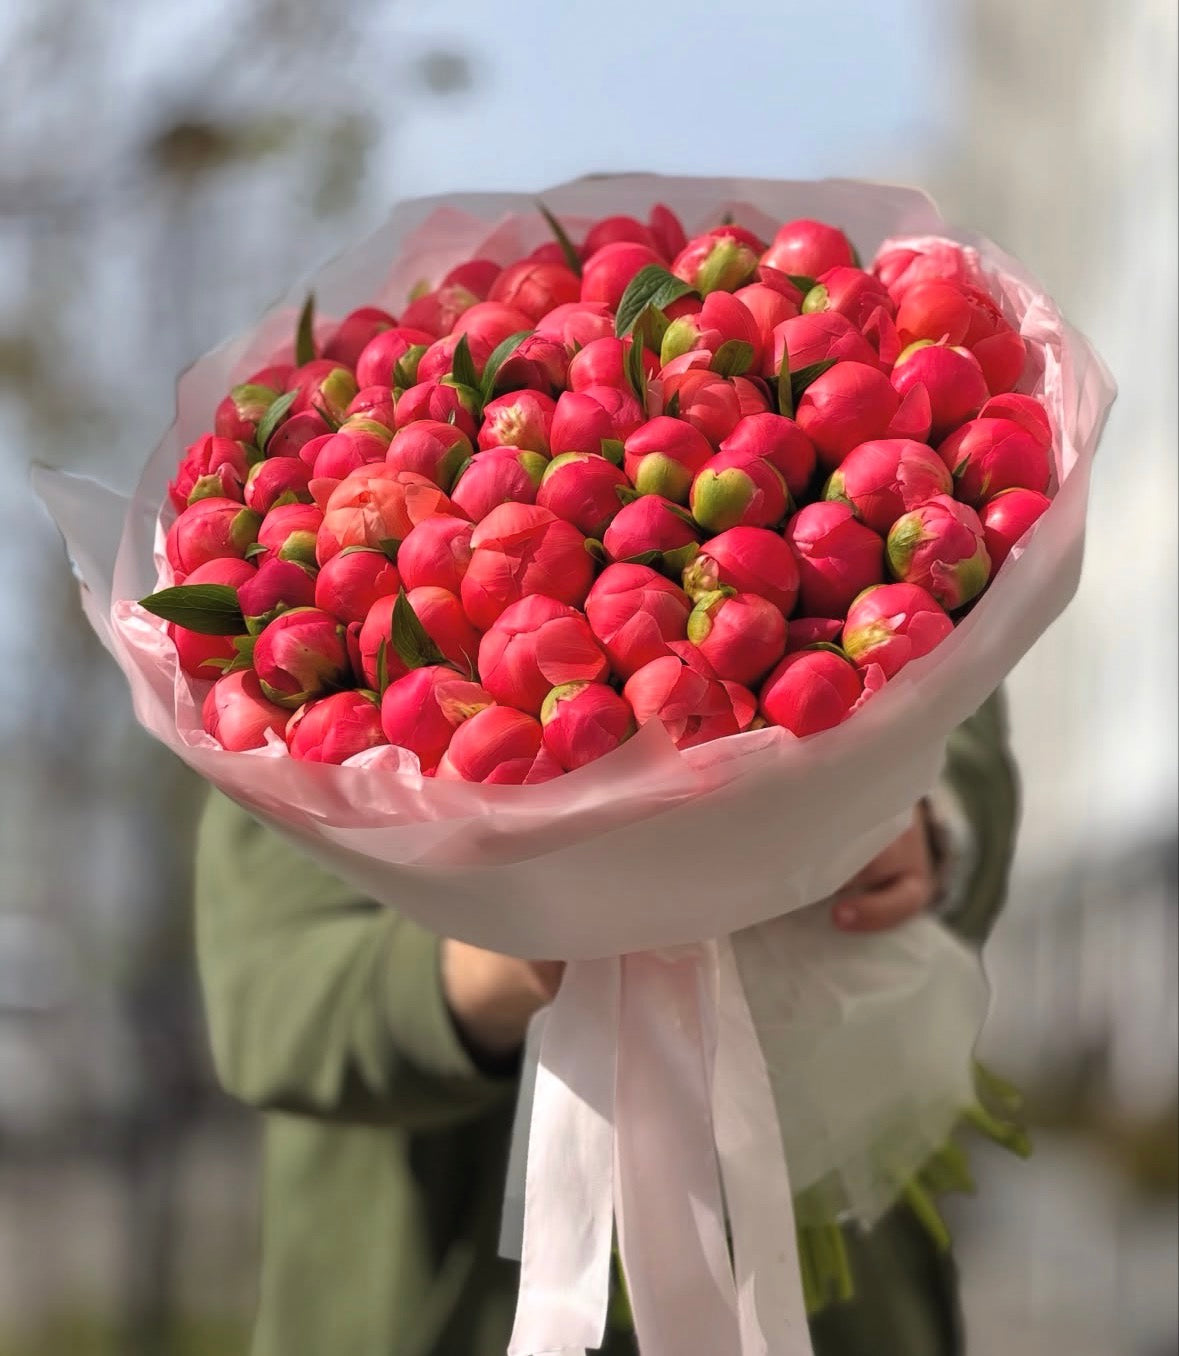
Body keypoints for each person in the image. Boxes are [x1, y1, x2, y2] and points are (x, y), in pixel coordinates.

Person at [195, 690, 1018, 1356]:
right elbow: (274, 1003)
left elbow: (961, 699)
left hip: (843, 1306)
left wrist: (910, 818)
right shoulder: (293, 642)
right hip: (441, 1297)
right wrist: (525, 948)